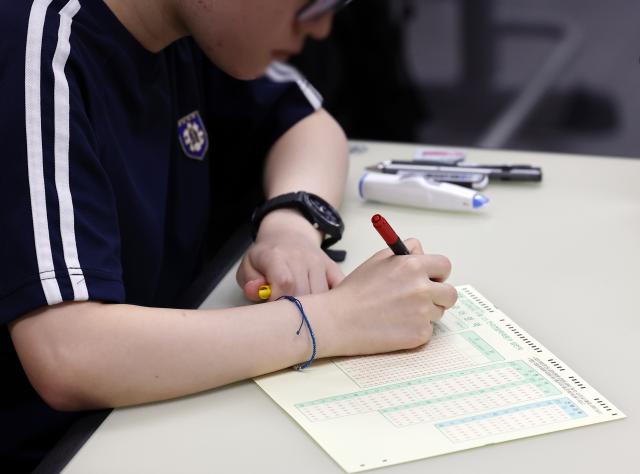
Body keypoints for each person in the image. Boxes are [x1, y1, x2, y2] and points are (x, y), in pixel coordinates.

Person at [0, 0, 457, 470]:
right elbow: (70, 354)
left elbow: (310, 125)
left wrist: (291, 225)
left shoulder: (185, 27)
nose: (320, 29)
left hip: (153, 416)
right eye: (310, 4)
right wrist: (334, 320)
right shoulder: (37, 45)